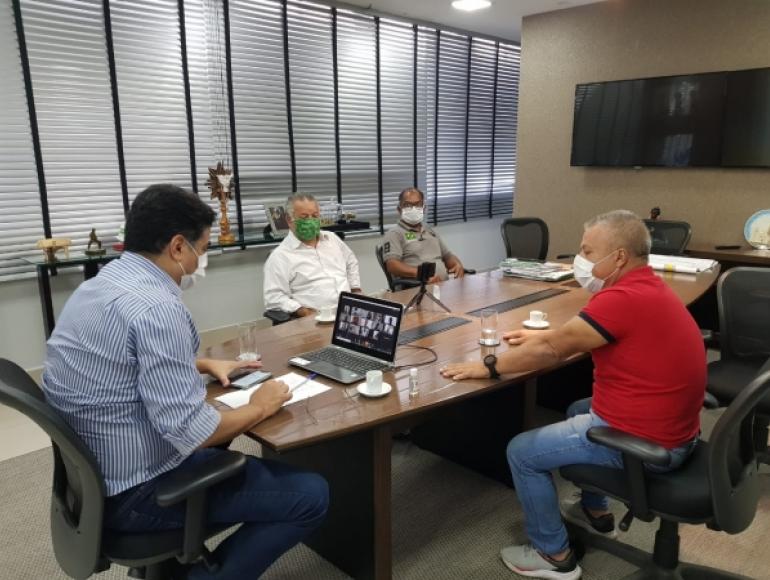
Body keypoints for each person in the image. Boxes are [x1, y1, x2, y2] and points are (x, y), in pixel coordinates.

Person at [41, 184, 329, 580]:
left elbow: (115, 362)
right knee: (311, 495)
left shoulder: (98, 286)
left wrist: (201, 363)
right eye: (202, 249)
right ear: (178, 246)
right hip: (139, 493)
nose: (200, 262)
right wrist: (260, 405)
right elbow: (194, 432)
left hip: (93, 483)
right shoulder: (158, 309)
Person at [441, 210, 705, 580]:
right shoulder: (648, 287)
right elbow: (581, 335)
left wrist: (488, 366)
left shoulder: (620, 299)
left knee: (521, 451)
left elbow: (552, 351)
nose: (579, 259)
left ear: (619, 257)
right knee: (578, 407)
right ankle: (595, 508)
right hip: (677, 430)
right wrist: (545, 336)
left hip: (649, 444)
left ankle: (553, 555)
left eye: (587, 251)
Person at [264, 193, 362, 317]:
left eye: (315, 216)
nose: (310, 221)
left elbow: (351, 261)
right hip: (316, 318)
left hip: (348, 311)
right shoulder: (280, 256)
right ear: (289, 220)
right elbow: (273, 297)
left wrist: (355, 289)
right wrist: (302, 311)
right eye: (304, 217)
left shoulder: (331, 239)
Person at [382, 187, 465, 283]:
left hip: (444, 285)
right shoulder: (394, 234)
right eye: (407, 205)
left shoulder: (430, 231)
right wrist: (422, 275)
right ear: (399, 209)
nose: (413, 209)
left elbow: (448, 256)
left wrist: (457, 265)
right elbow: (392, 265)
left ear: (424, 208)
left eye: (418, 204)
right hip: (418, 287)